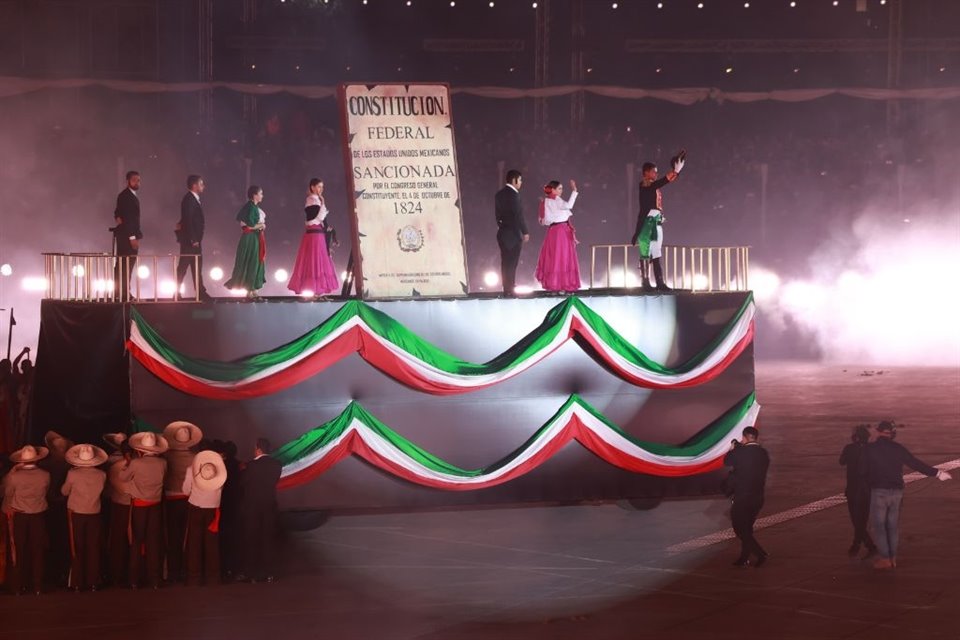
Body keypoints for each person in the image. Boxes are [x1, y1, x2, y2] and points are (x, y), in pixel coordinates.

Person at [865, 420, 951, 570]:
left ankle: (885, 559)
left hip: (879, 491)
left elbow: (862, 470)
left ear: (878, 432)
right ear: (892, 434)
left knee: (879, 526)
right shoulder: (898, 449)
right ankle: (893, 558)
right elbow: (915, 463)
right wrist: (937, 473)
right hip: (897, 492)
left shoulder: (870, 449)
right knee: (892, 526)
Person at [118, 431, 168, 588]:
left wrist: (127, 464)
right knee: (154, 542)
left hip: (139, 504)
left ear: (141, 449)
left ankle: (134, 580)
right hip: (156, 504)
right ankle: (155, 580)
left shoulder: (136, 463)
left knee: (137, 541)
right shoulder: (163, 463)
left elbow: (123, 477)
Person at [632, 150, 685, 291]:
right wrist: (674, 171)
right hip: (647, 224)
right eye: (654, 172)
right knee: (645, 252)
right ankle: (645, 282)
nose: (656, 174)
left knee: (657, 253)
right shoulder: (644, 185)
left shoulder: (654, 186)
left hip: (657, 223)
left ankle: (660, 283)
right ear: (646, 172)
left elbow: (665, 181)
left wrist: (676, 171)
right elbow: (662, 182)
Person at [4, 445, 51, 595]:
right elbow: (46, 491)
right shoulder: (45, 475)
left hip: (20, 516)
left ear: (21, 461)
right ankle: (37, 586)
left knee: (18, 550)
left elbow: (8, 493)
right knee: (38, 551)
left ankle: (18, 586)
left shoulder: (15, 477)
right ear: (37, 459)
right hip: (38, 515)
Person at [60, 444, 108, 591]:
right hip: (94, 513)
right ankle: (93, 582)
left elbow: (64, 491)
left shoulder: (73, 474)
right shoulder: (102, 474)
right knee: (93, 547)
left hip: (77, 513)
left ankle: (76, 583)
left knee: (77, 547)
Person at [161, 421, 202, 584]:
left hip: (170, 500)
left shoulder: (166, 456)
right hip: (189, 500)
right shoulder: (195, 458)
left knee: (172, 537)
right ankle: (187, 571)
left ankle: (173, 572)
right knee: (188, 536)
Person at [723, 426, 770, 567]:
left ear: (744, 437)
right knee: (747, 529)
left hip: (743, 497)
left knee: (739, 528)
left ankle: (760, 553)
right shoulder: (763, 453)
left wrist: (733, 449)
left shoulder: (739, 452)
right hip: (758, 498)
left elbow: (727, 462)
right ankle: (744, 558)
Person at [239, 438, 283, 583]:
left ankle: (252, 573)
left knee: (252, 540)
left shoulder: (251, 466)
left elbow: (243, 483)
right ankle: (269, 572)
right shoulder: (277, 465)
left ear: (258, 449)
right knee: (268, 540)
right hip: (269, 506)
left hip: (252, 507)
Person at [287, 179, 340, 296]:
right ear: (312, 187)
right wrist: (323, 202)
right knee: (315, 260)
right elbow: (319, 217)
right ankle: (315, 290)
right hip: (314, 234)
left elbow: (322, 220)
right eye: (319, 187)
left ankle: (318, 291)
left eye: (322, 187)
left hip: (318, 233)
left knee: (320, 259)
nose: (321, 189)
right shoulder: (311, 200)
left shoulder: (317, 200)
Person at [183, 449, 227, 586]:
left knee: (194, 544)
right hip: (213, 509)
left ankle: (194, 578)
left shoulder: (191, 469)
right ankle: (214, 578)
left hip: (195, 507)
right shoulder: (221, 471)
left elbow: (185, 490)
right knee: (212, 544)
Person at [534, 179, 580, 293]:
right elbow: (569, 205)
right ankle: (562, 285)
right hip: (561, 232)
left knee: (553, 257)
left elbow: (543, 221)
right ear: (553, 190)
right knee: (562, 257)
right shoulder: (557, 200)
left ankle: (554, 284)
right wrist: (574, 191)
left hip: (552, 231)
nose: (561, 191)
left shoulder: (545, 202)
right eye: (559, 188)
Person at [839, 424, 877, 558]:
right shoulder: (872, 450)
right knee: (862, 519)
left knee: (856, 520)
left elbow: (841, 461)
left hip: (853, 490)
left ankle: (865, 544)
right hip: (867, 491)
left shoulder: (849, 448)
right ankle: (859, 544)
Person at [225, 186, 268, 298]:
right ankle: (250, 289)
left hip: (253, 237)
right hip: (250, 237)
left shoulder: (252, 207)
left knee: (254, 261)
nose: (262, 196)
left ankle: (252, 289)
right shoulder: (251, 207)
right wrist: (261, 225)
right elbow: (250, 225)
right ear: (255, 195)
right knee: (252, 261)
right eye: (261, 193)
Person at [176, 174, 212, 301]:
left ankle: (200, 292)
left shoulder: (193, 199)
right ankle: (177, 293)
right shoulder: (189, 199)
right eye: (201, 184)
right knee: (183, 267)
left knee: (196, 267)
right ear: (194, 185)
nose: (203, 186)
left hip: (194, 240)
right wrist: (193, 239)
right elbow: (188, 219)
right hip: (190, 241)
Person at [494, 169, 529, 296]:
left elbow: (497, 215)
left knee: (505, 262)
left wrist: (502, 226)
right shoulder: (514, 195)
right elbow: (518, 215)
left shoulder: (499, 194)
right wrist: (525, 231)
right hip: (513, 233)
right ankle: (511, 288)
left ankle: (506, 288)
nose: (521, 183)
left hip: (503, 233)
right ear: (514, 180)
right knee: (512, 263)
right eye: (520, 180)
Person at [102, 434, 130, 587]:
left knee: (117, 539)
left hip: (117, 502)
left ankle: (116, 574)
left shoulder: (109, 460)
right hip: (135, 503)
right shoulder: (136, 462)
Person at [112, 170, 142, 301]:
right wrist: (132, 237)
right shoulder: (126, 196)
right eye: (134, 180)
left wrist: (117, 217)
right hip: (127, 237)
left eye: (138, 180)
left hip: (125, 235)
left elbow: (118, 212)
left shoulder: (126, 195)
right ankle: (124, 293)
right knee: (126, 265)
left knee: (123, 265)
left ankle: (121, 292)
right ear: (128, 181)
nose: (137, 182)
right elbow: (128, 218)